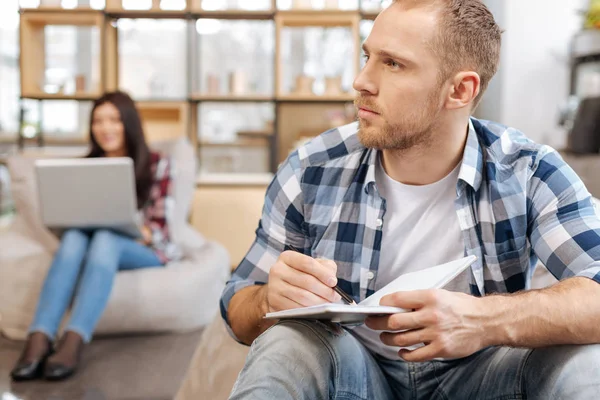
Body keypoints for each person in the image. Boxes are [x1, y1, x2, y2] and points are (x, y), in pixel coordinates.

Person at [221, 1, 600, 399]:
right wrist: (269, 298)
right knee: (286, 344)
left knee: (586, 363)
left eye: (393, 64)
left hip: (485, 375)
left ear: (459, 90)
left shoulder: (528, 171)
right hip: (356, 376)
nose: (361, 81)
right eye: (368, 56)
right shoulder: (311, 168)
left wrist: (481, 321)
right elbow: (236, 307)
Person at [10, 91, 181, 381]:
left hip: (146, 248)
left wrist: (127, 225)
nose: (105, 128)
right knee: (76, 236)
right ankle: (39, 338)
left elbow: (158, 228)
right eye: (98, 121)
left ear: (128, 123)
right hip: (89, 243)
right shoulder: (84, 166)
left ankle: (73, 341)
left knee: (105, 237)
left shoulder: (157, 163)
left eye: (114, 120)